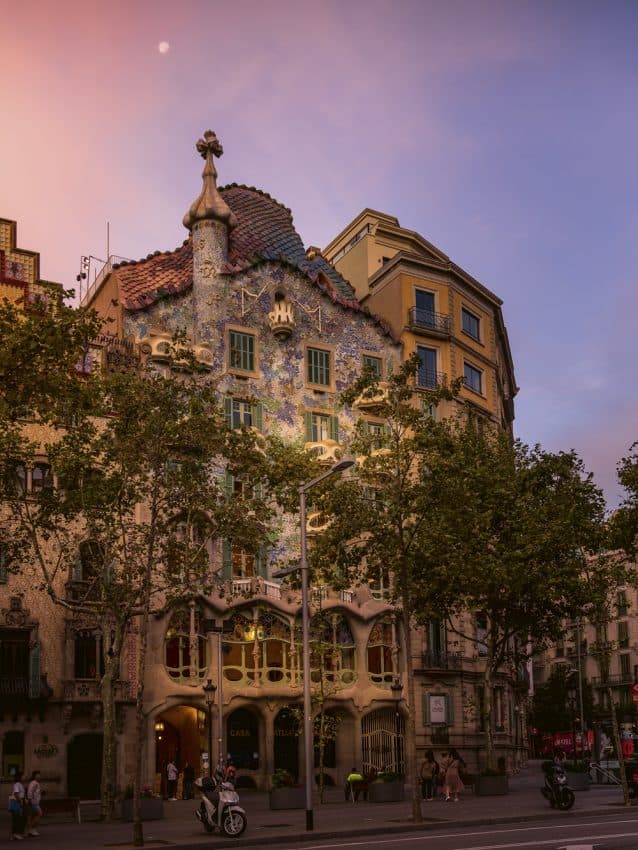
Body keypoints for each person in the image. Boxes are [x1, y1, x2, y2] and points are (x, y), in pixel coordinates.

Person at [10, 772, 26, 841]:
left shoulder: (20, 784)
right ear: (19, 777)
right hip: (16, 802)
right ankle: (15, 834)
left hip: (19, 801)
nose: (24, 777)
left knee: (19, 818)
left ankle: (16, 834)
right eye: (23, 776)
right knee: (16, 818)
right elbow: (16, 794)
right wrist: (21, 802)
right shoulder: (17, 784)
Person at [26, 770, 42, 836]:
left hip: (34, 802)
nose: (39, 776)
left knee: (32, 816)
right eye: (38, 775)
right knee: (39, 814)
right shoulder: (34, 783)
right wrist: (30, 799)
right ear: (34, 776)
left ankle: (32, 830)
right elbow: (30, 792)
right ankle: (31, 829)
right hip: (33, 802)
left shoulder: (35, 783)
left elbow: (35, 792)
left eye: (39, 775)